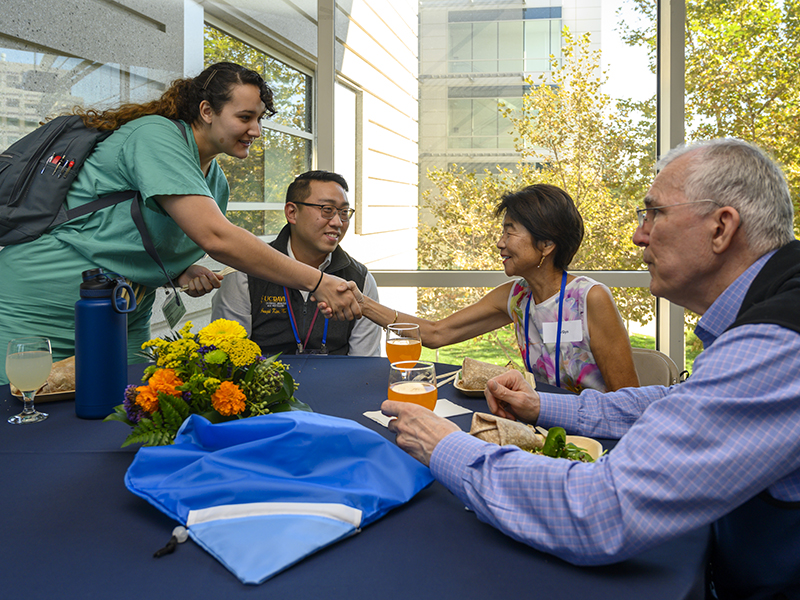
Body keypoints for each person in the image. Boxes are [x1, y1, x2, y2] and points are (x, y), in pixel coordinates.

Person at [381, 138, 800, 599]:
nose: (639, 235)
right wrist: (542, 405)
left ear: (721, 228)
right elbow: (673, 399)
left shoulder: (777, 343)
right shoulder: (763, 319)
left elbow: (598, 512)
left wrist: (446, 446)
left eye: (654, 213)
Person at [0, 62, 361, 384]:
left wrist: (181, 269)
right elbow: (216, 237)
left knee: (122, 417)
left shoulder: (215, 179)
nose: (257, 130)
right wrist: (316, 281)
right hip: (41, 308)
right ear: (206, 110)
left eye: (260, 118)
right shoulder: (156, 136)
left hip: (125, 313)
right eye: (245, 117)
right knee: (25, 419)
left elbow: (141, 234)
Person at [354, 184, 639, 392]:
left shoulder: (589, 298)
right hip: (542, 425)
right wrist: (362, 303)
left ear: (547, 244)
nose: (500, 243)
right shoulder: (516, 297)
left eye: (510, 231)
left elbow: (627, 400)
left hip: (590, 436)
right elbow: (436, 333)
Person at [211, 170, 381, 356]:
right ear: (292, 213)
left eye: (344, 212)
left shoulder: (359, 280)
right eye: (327, 210)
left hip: (336, 383)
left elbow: (364, 364)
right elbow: (229, 358)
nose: (338, 222)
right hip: (264, 382)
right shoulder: (244, 273)